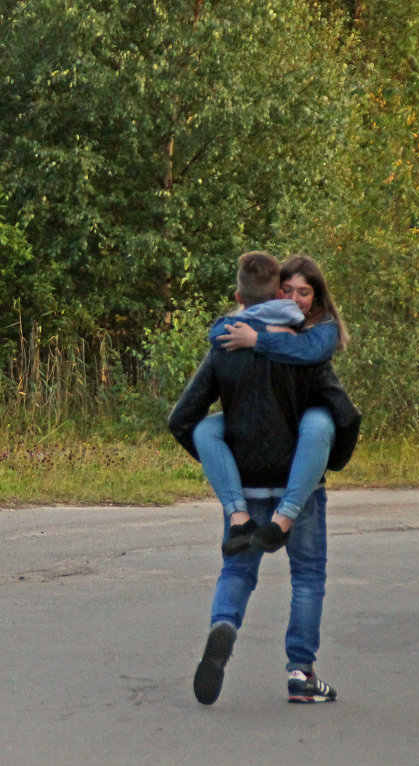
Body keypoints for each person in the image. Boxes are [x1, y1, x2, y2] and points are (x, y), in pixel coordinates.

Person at [168, 251, 360, 705]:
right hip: (300, 483)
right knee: (308, 576)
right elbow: (344, 413)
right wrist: (333, 461)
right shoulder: (305, 348)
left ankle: (224, 626)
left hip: (247, 484)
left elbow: (182, 419)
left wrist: (224, 464)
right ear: (279, 294)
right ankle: (301, 674)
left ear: (239, 297)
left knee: (237, 569)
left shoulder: (226, 346)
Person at [193, 254, 351, 555]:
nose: (293, 298)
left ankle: (284, 518)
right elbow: (217, 333)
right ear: (277, 292)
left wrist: (257, 340)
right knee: (205, 430)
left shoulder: (323, 328)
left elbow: (309, 351)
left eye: (303, 292)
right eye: (287, 290)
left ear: (317, 296)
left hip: (305, 417)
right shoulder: (272, 320)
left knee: (317, 424)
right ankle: (239, 517)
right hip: (268, 423)